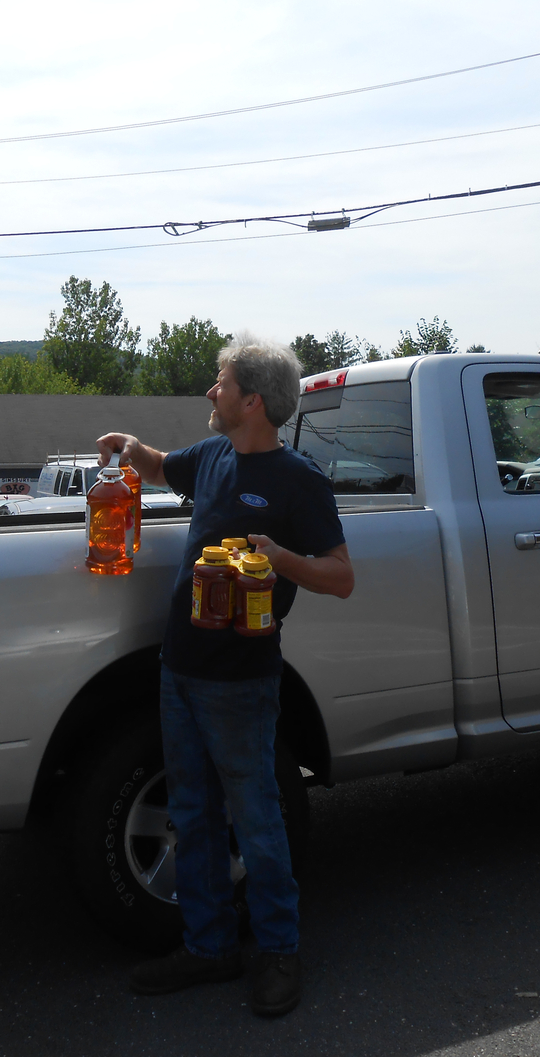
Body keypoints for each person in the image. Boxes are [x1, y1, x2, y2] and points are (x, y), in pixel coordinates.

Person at [96, 335, 354, 1018]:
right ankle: (210, 947)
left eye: (221, 383)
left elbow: (341, 576)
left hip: (243, 681)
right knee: (193, 814)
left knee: (257, 819)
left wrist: (279, 556)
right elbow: (157, 465)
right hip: (179, 668)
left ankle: (277, 952)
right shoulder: (211, 456)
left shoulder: (300, 481)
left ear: (254, 401)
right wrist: (128, 445)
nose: (210, 393)